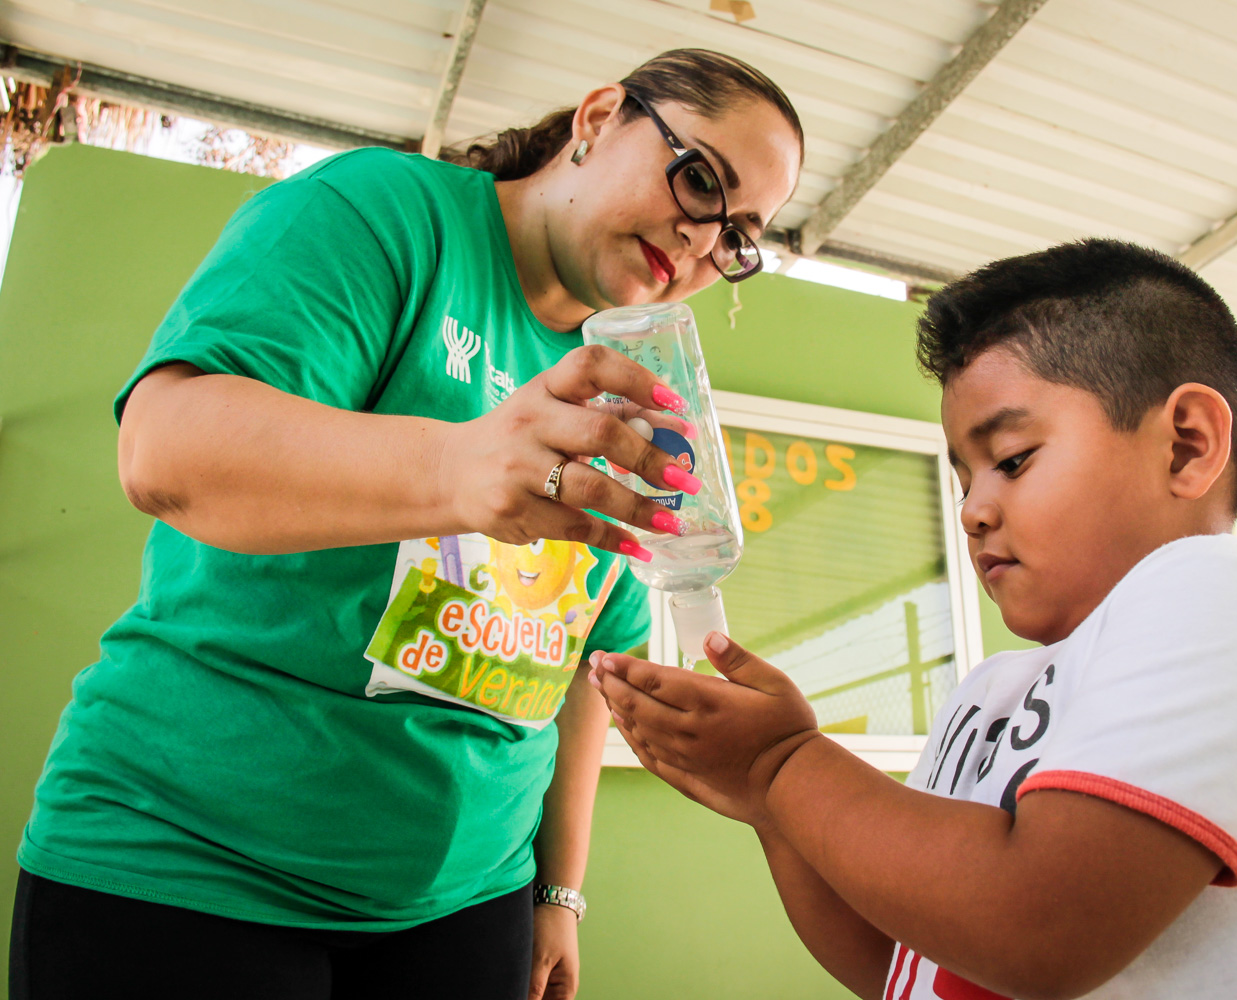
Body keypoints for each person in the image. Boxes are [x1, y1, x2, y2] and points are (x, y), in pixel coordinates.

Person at [10, 49, 803, 1000]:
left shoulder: (625, 381)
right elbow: (164, 453)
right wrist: (458, 466)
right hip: (190, 869)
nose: (705, 237)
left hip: (466, 910)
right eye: (700, 178)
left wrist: (559, 889)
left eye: (739, 238)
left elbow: (591, 653)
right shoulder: (386, 215)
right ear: (597, 118)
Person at [592, 239, 1237, 1000]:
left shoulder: (1229, 594)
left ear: (1186, 445)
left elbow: (1041, 924)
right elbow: (902, 960)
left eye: (1011, 460)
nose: (974, 508)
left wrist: (783, 765)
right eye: (964, 477)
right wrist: (771, 808)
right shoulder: (991, 692)